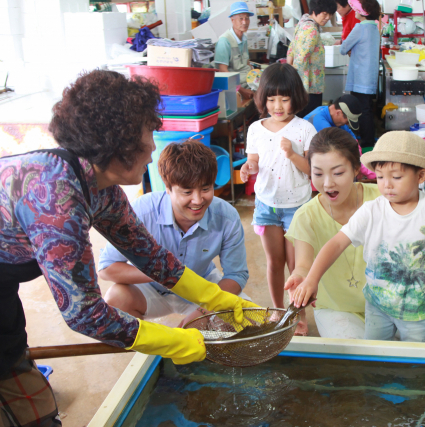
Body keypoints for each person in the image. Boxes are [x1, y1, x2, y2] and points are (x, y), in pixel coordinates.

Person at [0, 70, 258, 426]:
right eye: (148, 134)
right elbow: (85, 313)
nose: (154, 147)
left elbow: (153, 258)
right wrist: (175, 342)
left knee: (14, 365)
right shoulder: (59, 203)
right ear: (118, 143)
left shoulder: (100, 187)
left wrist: (219, 299)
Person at [284, 128, 425, 343]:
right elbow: (304, 263)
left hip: (400, 299)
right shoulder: (306, 216)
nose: (327, 183)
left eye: (338, 173)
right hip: (340, 308)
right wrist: (303, 278)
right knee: (360, 357)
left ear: (356, 169)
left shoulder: (387, 196)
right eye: (318, 173)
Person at [99, 139, 250, 327]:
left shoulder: (227, 216)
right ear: (168, 188)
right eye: (187, 192)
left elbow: (236, 275)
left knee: (245, 317)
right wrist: (164, 273)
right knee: (115, 300)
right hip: (149, 290)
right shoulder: (141, 212)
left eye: (205, 189)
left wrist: (203, 312)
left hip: (201, 286)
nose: (197, 200)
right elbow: (106, 268)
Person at [239, 63, 316, 335]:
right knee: (274, 262)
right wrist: (248, 168)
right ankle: (277, 309)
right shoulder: (256, 129)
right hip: (267, 204)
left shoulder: (304, 129)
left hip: (297, 206)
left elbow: (313, 171)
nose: (278, 105)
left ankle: (299, 313)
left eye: (284, 99)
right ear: (263, 99)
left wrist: (293, 154)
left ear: (296, 97)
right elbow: (254, 162)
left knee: (296, 265)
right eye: (271, 99)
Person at [304, 94, 375, 179]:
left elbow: (353, 141)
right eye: (347, 121)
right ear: (338, 113)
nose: (347, 124)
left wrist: (361, 161)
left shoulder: (334, 117)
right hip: (307, 167)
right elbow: (339, 149)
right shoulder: (319, 121)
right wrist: (365, 170)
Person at [340, 0, 380, 148]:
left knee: (361, 110)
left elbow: (343, 48)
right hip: (369, 76)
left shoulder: (360, 28)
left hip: (360, 76)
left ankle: (366, 143)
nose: (354, 10)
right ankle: (368, 140)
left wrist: (350, 47)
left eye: (356, 8)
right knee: (367, 108)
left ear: (363, 11)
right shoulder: (374, 27)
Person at [287, 0, 337, 118]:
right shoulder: (312, 30)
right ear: (314, 11)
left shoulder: (303, 22)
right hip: (309, 86)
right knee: (310, 119)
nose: (327, 18)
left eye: (330, 14)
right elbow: (301, 58)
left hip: (301, 85)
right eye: (324, 14)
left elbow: (291, 48)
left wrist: (290, 72)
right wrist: (294, 78)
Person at [214, 1, 255, 100]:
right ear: (232, 20)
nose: (244, 22)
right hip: (235, 87)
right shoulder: (224, 41)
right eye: (241, 19)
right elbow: (223, 71)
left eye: (247, 18)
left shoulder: (244, 38)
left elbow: (247, 62)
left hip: (248, 82)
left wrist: (256, 75)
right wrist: (241, 90)